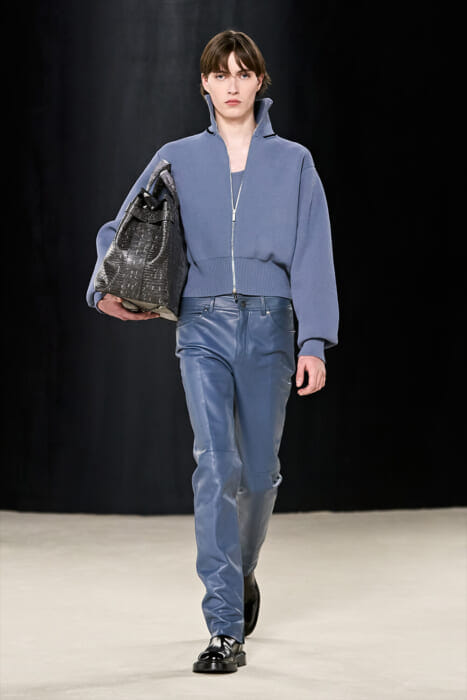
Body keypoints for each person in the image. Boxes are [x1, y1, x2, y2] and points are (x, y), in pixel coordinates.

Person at [86, 29, 339, 674]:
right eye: (220, 74)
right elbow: (122, 225)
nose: (232, 85)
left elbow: (313, 250)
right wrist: (106, 286)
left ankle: (242, 569)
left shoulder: (295, 162)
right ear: (204, 83)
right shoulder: (175, 158)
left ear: (260, 81)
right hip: (201, 328)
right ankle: (224, 626)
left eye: (242, 73)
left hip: (272, 326)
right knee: (215, 464)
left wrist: (314, 340)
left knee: (259, 474)